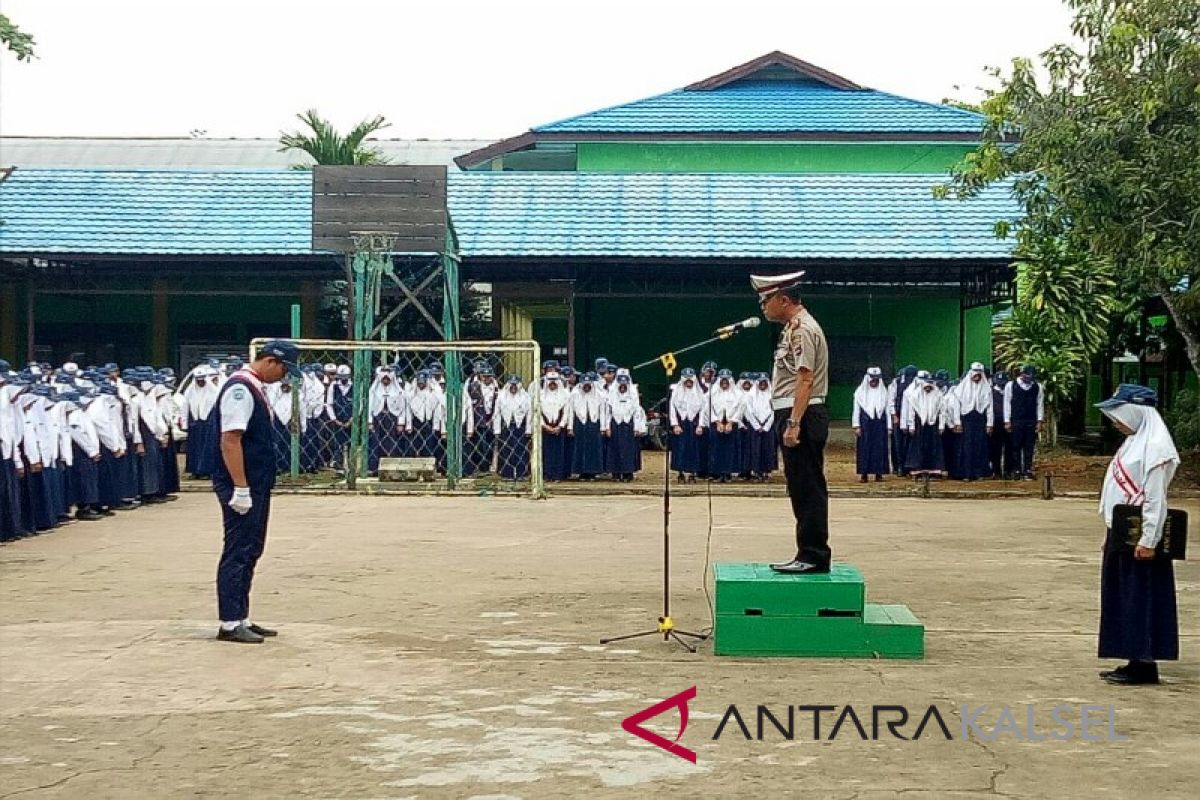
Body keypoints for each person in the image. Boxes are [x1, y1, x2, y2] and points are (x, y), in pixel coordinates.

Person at [212, 339, 301, 644]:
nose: (285, 377)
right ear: (271, 362)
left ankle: (242, 615)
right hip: (243, 483)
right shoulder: (240, 389)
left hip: (256, 482)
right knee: (238, 550)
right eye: (285, 369)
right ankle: (229, 621)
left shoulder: (254, 387)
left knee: (251, 549)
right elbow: (231, 440)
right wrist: (239, 486)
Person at [1096, 384, 1180, 686]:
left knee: (1141, 598)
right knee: (1124, 598)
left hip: (1140, 538)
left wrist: (1148, 539)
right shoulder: (1134, 443)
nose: (1115, 422)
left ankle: (1144, 663)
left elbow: (1155, 499)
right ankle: (1132, 656)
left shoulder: (1155, 448)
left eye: (1118, 414)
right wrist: (1109, 530)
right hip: (1122, 532)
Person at [755, 270, 831, 574]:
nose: (763, 307)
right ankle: (807, 551)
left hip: (802, 412)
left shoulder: (801, 329)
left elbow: (805, 378)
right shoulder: (792, 328)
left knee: (807, 486)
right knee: (800, 486)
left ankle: (813, 554)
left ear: (784, 300)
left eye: (766, 300)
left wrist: (794, 422)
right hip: (793, 411)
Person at [953, 363, 994, 481]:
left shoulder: (986, 388)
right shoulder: (961, 388)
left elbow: (989, 407)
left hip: (980, 420)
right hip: (966, 420)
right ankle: (966, 473)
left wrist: (989, 424)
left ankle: (979, 473)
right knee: (966, 447)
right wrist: (957, 422)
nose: (977, 376)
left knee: (980, 446)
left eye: (979, 374)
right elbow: (957, 406)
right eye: (975, 373)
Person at [1004, 365, 1044, 480]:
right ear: (1022, 374)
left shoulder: (1037, 387)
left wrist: (1039, 421)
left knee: (1029, 446)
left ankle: (1027, 469)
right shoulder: (1011, 385)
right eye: (1027, 375)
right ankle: (1016, 469)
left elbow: (1039, 404)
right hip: (1016, 419)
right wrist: (1007, 421)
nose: (1029, 378)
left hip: (1030, 420)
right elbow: (1007, 403)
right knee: (1015, 446)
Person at [668, 368, 707, 483]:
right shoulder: (676, 392)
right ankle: (680, 473)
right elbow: (672, 409)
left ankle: (692, 473)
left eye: (691, 380)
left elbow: (703, 411)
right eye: (686, 380)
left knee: (693, 449)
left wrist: (700, 425)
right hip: (681, 424)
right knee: (680, 449)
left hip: (694, 425)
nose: (689, 382)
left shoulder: (699, 393)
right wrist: (675, 425)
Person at [852, 367, 890, 483]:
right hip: (865, 423)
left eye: (876, 380)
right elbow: (856, 410)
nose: (874, 382)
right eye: (872, 380)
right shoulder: (860, 392)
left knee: (879, 448)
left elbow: (887, 409)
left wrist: (889, 427)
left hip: (879, 423)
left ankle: (879, 473)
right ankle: (864, 474)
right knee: (865, 448)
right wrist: (856, 425)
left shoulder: (884, 392)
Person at [904, 373, 946, 478]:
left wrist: (941, 425)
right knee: (918, 446)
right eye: (926, 384)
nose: (928, 387)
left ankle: (934, 470)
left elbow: (942, 411)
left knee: (934, 446)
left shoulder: (938, 395)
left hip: (933, 424)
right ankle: (917, 469)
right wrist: (911, 425)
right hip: (919, 424)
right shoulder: (915, 395)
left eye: (930, 384)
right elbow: (911, 411)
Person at [569, 371, 609, 480]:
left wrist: (603, 427)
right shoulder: (575, 394)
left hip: (594, 423)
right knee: (580, 448)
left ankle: (593, 472)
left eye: (588, 384)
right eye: (584, 384)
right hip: (580, 424)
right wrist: (570, 427)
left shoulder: (599, 394)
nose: (586, 387)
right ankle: (582, 472)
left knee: (594, 448)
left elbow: (603, 412)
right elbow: (570, 411)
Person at [606, 373, 643, 482]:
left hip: (628, 425)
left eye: (624, 385)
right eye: (620, 385)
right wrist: (607, 427)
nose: (622, 387)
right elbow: (607, 412)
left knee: (628, 450)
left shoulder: (633, 395)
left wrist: (637, 427)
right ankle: (616, 473)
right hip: (615, 424)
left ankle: (628, 472)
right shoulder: (612, 395)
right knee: (615, 449)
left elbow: (637, 412)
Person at [493, 375, 533, 479]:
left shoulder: (526, 397)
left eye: (515, 385)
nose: (513, 387)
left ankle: (522, 473)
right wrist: (496, 430)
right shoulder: (501, 396)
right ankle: (506, 473)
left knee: (520, 450)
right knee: (506, 450)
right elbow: (496, 413)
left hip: (520, 426)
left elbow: (530, 414)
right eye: (511, 384)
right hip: (506, 426)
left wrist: (529, 429)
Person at [740, 373, 777, 482]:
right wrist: (757, 425)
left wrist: (766, 426)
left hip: (768, 427)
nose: (762, 385)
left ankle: (766, 472)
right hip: (754, 427)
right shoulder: (751, 395)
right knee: (755, 449)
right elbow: (748, 412)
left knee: (767, 449)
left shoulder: (771, 395)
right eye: (760, 382)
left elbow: (774, 411)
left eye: (764, 382)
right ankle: (756, 472)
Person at [706, 369, 742, 483]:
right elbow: (708, 409)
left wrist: (731, 422)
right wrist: (717, 422)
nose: (724, 383)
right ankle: (717, 474)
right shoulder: (712, 393)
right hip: (717, 424)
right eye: (723, 381)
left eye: (727, 381)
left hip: (731, 424)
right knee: (716, 449)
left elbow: (740, 409)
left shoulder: (737, 394)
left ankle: (728, 473)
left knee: (730, 449)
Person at [539, 371, 572, 482]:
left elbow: (567, 412)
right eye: (550, 382)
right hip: (545, 428)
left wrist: (560, 426)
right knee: (546, 452)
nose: (552, 384)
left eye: (554, 382)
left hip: (559, 429)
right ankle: (547, 475)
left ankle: (558, 475)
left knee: (559, 452)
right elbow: (537, 412)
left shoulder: (565, 395)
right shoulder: (540, 395)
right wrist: (544, 426)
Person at [888, 365, 918, 476]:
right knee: (898, 443)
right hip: (899, 416)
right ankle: (899, 466)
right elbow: (891, 400)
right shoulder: (897, 383)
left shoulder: (917, 384)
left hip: (913, 417)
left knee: (910, 443)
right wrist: (894, 416)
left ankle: (909, 466)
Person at [325, 364, 354, 471]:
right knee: (337, 443)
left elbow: (358, 404)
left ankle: (352, 464)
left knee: (352, 443)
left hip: (351, 419)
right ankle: (338, 463)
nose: (343, 380)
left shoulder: (354, 386)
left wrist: (352, 419)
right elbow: (329, 404)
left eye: (345, 377)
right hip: (337, 419)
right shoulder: (333, 386)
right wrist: (334, 419)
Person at [989, 370, 1010, 479]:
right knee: (995, 448)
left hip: (1008, 423)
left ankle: (1007, 470)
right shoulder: (991, 392)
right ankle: (996, 470)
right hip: (995, 422)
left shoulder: (1009, 391)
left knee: (1009, 447)